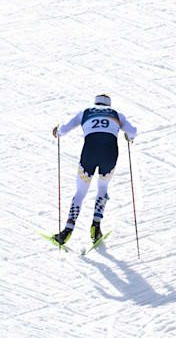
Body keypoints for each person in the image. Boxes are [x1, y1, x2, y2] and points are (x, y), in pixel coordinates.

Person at [50, 94, 138, 246]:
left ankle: (67, 231)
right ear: (109, 105)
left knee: (80, 193)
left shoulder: (85, 112)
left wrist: (57, 132)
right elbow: (133, 131)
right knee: (103, 187)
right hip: (110, 154)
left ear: (95, 103)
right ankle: (96, 227)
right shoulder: (117, 114)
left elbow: (64, 129)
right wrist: (129, 138)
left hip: (89, 153)